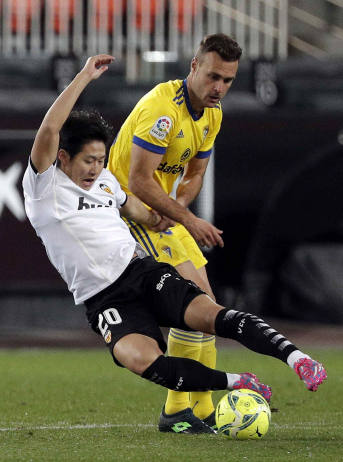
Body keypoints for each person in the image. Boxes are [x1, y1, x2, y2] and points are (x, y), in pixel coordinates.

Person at [22, 54, 327, 434]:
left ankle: (297, 358)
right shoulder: (43, 187)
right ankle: (237, 382)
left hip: (141, 273)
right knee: (145, 363)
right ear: (63, 158)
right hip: (104, 300)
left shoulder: (104, 182)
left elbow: (134, 207)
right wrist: (84, 76)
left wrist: (162, 218)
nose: (95, 169)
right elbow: (49, 131)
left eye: (101, 160)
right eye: (88, 161)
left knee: (211, 314)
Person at [107, 33, 239, 431]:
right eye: (213, 76)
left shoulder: (212, 114)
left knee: (208, 308)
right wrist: (187, 218)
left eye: (228, 80)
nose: (219, 88)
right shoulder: (162, 109)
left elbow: (195, 173)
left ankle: (199, 410)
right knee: (190, 306)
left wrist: (181, 206)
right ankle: (175, 409)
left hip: (164, 215)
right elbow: (139, 180)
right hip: (130, 214)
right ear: (194, 67)